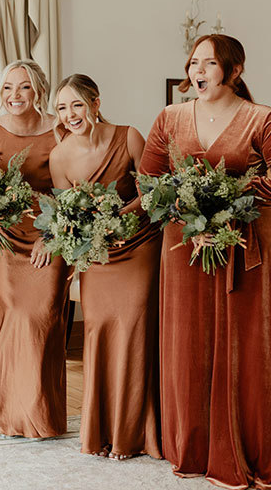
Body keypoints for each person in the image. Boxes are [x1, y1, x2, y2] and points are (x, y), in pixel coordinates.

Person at [139, 34, 271, 487]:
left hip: (247, 248)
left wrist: (235, 195)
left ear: (234, 71)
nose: (197, 72)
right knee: (189, 344)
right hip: (185, 252)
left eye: (209, 64)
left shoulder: (262, 118)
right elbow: (148, 182)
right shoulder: (169, 118)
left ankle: (249, 447)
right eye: (193, 63)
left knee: (246, 347)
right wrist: (186, 205)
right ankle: (190, 446)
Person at [49, 74, 162, 459]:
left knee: (134, 329)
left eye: (76, 105)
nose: (70, 115)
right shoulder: (59, 157)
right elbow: (67, 219)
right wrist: (94, 230)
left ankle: (133, 433)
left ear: (95, 103)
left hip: (140, 245)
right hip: (98, 257)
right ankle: (102, 432)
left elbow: (152, 194)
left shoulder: (129, 136)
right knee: (99, 330)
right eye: (62, 108)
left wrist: (116, 219)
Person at [0, 60, 70, 440]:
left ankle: (37, 411)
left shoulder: (59, 131)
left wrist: (53, 234)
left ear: (38, 91)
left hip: (49, 234)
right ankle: (3, 407)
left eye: (23, 88)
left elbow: (68, 189)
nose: (14, 96)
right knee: (14, 313)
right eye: (8, 88)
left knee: (43, 315)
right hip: (6, 236)